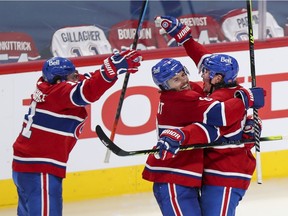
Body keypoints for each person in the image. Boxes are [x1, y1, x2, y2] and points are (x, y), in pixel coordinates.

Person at [151, 15, 265, 216]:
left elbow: (210, 129)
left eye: (205, 72)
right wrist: (185, 39)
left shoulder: (221, 98)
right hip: (211, 174)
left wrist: (181, 135)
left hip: (226, 173)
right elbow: (205, 59)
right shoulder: (211, 91)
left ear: (218, 77)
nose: (200, 74)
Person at [12, 49, 142, 216]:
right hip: (39, 170)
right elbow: (86, 91)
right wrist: (111, 70)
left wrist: (111, 69)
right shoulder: (59, 93)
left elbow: (86, 81)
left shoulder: (49, 86)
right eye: (73, 76)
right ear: (59, 80)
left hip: (26, 167)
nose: (77, 77)